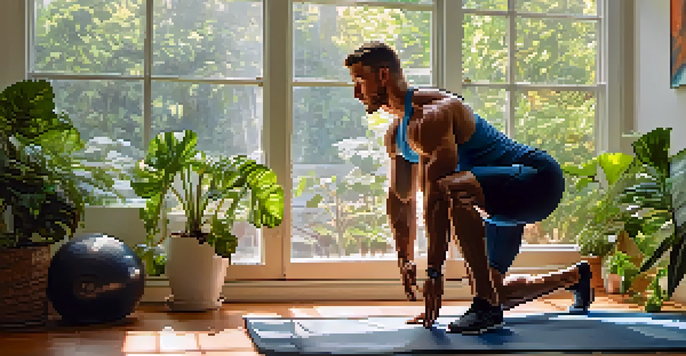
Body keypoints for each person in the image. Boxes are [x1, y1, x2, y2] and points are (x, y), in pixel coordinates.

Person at [344, 41, 594, 335]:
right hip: (494, 200)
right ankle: (575, 277)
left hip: (537, 180)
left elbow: (438, 196)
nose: (356, 93)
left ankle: (485, 307)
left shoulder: (432, 114)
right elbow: (401, 198)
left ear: (383, 75)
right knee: (495, 289)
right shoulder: (396, 135)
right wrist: (405, 258)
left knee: (451, 189)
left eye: (360, 81)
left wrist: (434, 275)